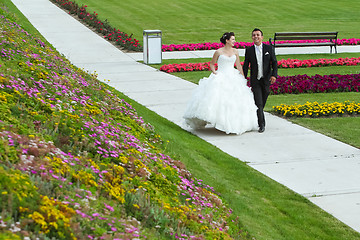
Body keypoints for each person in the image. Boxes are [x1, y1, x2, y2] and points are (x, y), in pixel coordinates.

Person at [183, 32, 258, 135]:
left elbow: (238, 65)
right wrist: (214, 71)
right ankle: (219, 121)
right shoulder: (218, 52)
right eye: (232, 39)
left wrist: (243, 77)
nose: (234, 41)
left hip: (233, 76)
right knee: (218, 100)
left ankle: (232, 123)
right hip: (221, 76)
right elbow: (212, 64)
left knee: (234, 101)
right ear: (227, 40)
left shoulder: (235, 51)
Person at [243, 28, 278, 133]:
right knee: (259, 103)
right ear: (252, 37)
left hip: (266, 79)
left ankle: (259, 112)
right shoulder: (249, 50)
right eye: (254, 35)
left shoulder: (269, 48)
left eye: (258, 35)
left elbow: (274, 63)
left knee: (263, 99)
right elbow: (245, 65)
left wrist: (274, 75)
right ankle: (261, 124)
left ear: (262, 37)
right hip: (255, 80)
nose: (256, 37)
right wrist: (243, 77)